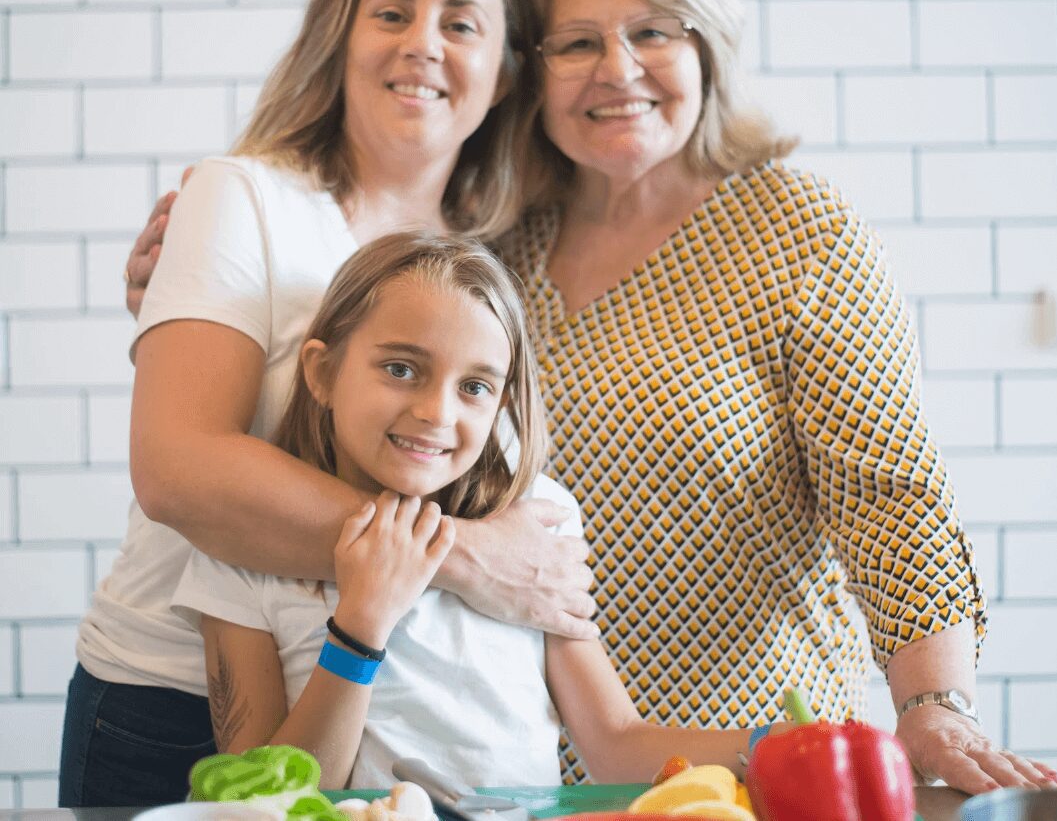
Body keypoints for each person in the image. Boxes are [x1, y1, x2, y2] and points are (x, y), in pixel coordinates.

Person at [122, 0, 1057, 797]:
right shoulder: (501, 245)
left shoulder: (796, 231)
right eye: (576, 42)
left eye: (655, 30)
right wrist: (187, 289)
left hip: (746, 751)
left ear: (706, 49)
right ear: (532, 77)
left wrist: (931, 706)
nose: (617, 67)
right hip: (528, 773)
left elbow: (892, 489)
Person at [60, 0, 597, 809]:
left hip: (377, 732)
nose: (422, 43)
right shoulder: (241, 198)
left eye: (460, 23)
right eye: (391, 12)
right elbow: (177, 472)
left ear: (505, 77)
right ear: (341, 39)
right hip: (173, 698)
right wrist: (463, 557)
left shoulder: (484, 266)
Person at [173, 231, 785, 789]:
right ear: (322, 372)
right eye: (401, 368)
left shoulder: (536, 526)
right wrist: (360, 629)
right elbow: (264, 800)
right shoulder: (241, 551)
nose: (438, 413)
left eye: (474, 387)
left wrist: (778, 747)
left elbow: (616, 745)